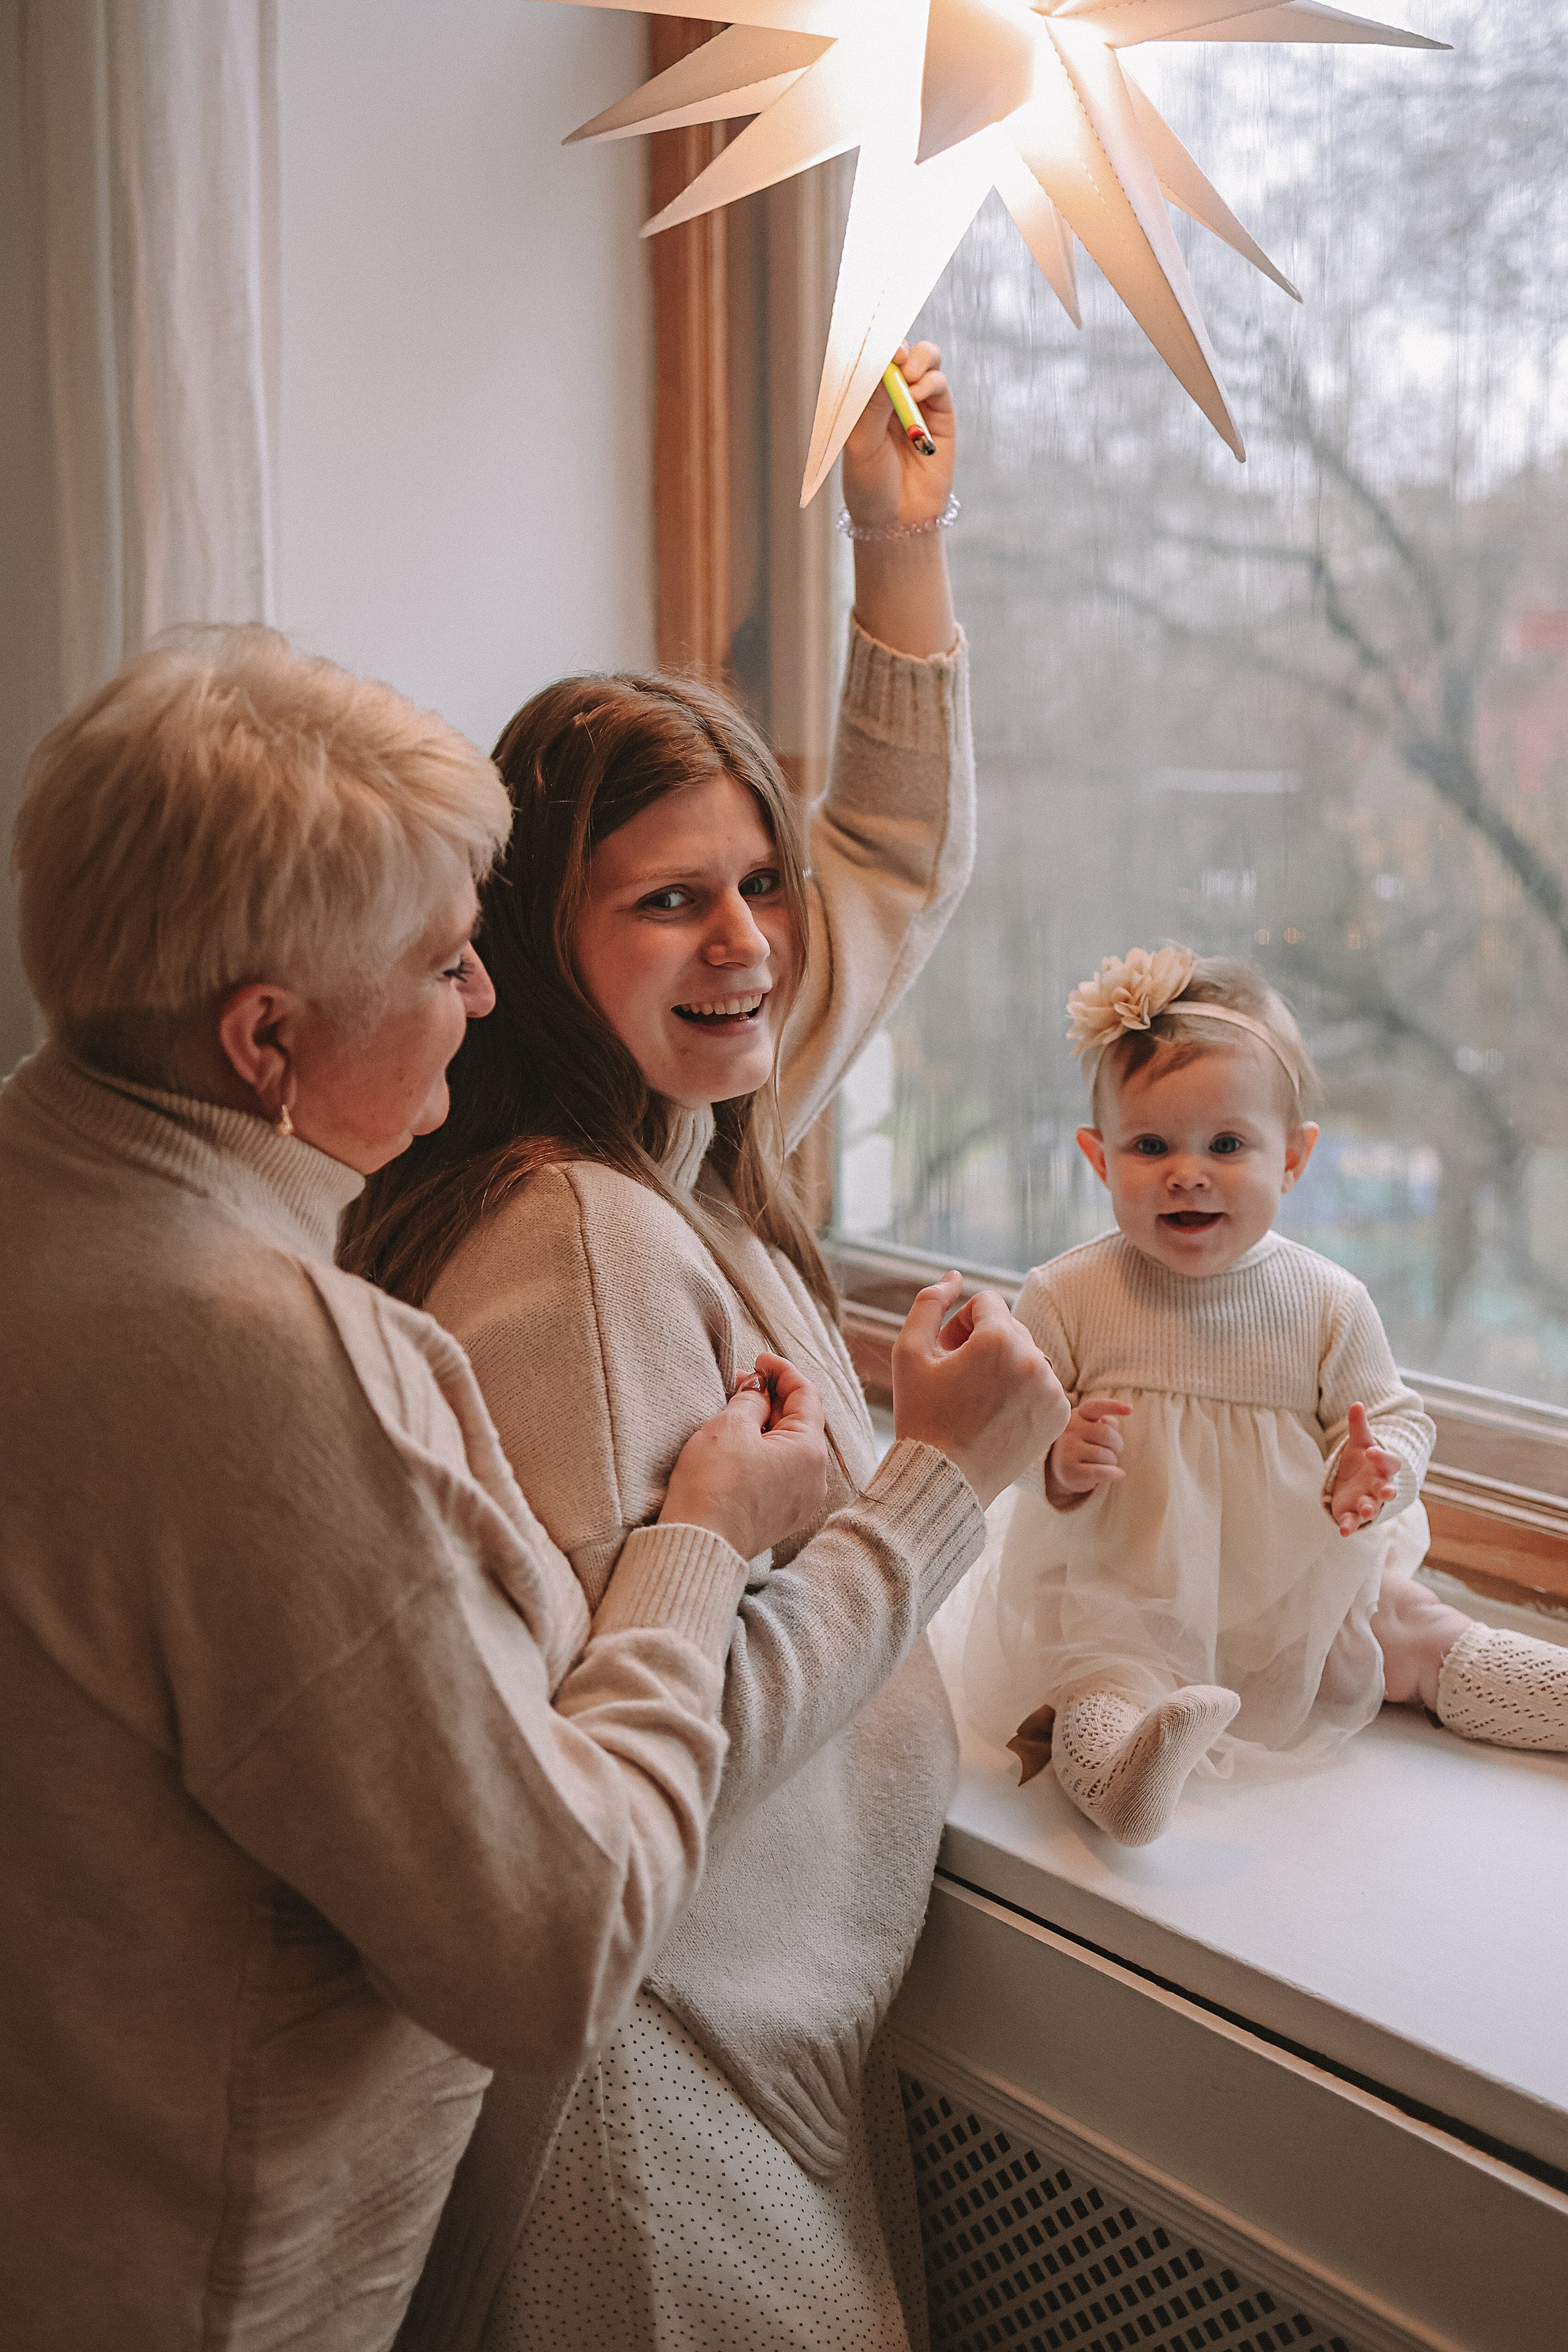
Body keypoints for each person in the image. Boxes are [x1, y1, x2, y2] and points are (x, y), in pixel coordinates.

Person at [343, 345, 1067, 2352]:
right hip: (643, 2112)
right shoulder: (575, 1244)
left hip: (756, 2065)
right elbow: (612, 1799)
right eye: (671, 901)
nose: (749, 941)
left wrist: (896, 543)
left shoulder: (682, 1140)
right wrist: (936, 1483)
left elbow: (894, 868)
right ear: (523, 951)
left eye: (758, 884)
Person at [0, 627, 835, 2352]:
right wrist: (698, 1546)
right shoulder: (258, 1361)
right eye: (449, 963)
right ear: (266, 1041)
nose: (481, 999)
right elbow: (548, 1950)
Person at [963, 944, 1568, 1850]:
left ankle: (1546, 1695)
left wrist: (1378, 1468)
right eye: (1151, 1145)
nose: (1188, 1172)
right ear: (1099, 1157)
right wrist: (1058, 1458)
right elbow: (1006, 1438)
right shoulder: (1068, 1294)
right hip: (1134, 1592)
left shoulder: (1327, 1300)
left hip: (1301, 1588)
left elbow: (1395, 1417)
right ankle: (1124, 1775)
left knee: (1411, 1629)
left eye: (1228, 1145)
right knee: (1100, 1680)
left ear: (1293, 1158)